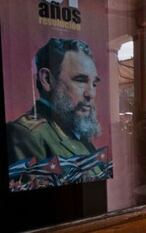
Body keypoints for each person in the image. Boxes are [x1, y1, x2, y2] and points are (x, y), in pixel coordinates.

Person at [7, 38, 108, 190]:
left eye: (94, 83)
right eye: (80, 80)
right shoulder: (26, 134)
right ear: (47, 79)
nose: (91, 93)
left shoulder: (76, 131)